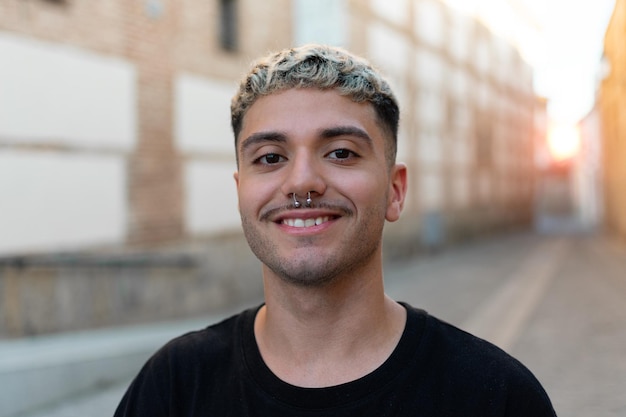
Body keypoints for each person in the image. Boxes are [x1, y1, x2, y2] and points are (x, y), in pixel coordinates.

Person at [114, 44, 556, 416]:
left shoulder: (494, 396)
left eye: (341, 152)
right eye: (270, 157)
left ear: (394, 191)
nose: (302, 181)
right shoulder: (173, 388)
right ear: (240, 192)